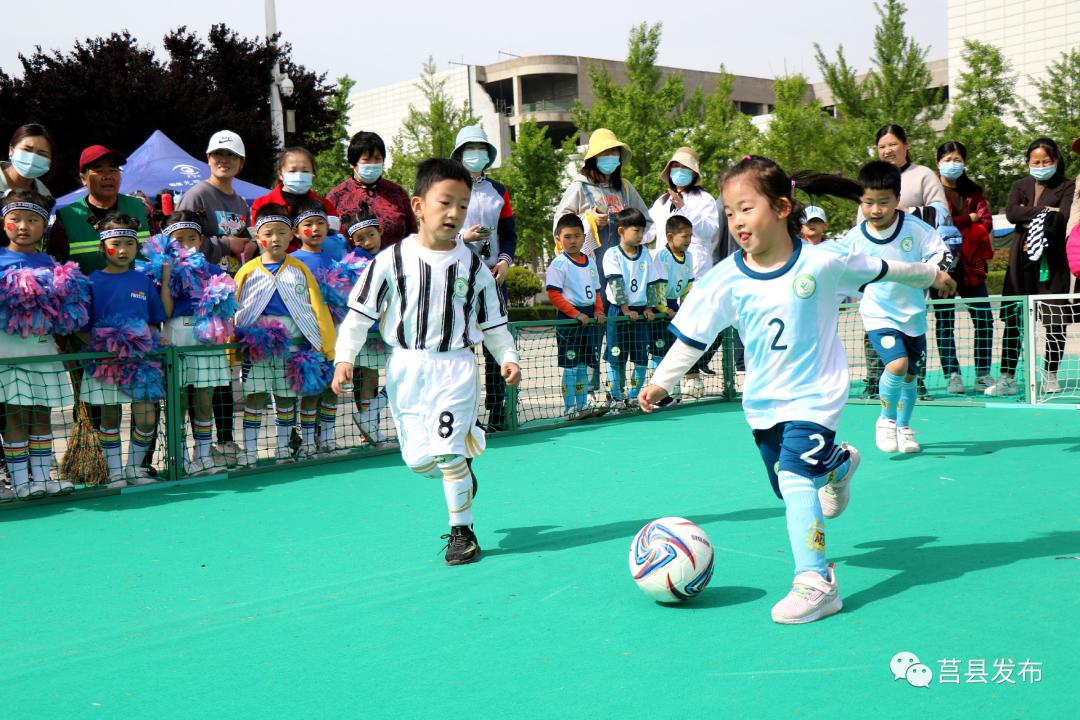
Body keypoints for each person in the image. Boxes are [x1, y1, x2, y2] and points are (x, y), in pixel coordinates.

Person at [638, 155, 956, 624]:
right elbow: (692, 338)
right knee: (786, 488)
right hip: (764, 403)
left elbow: (888, 268)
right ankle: (840, 463)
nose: (737, 221)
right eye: (729, 213)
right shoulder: (723, 279)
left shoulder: (825, 261)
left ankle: (816, 581)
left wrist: (933, 275)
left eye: (747, 208)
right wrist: (661, 382)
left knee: (793, 476)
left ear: (784, 207)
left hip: (817, 396)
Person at [331, 159, 522, 567]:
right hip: (405, 368)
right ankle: (463, 477)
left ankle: (462, 532)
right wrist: (344, 358)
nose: (454, 213)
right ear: (418, 206)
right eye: (445, 203)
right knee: (419, 461)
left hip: (455, 367)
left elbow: (494, 322)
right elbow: (359, 315)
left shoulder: (473, 265)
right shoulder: (389, 261)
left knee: (448, 453)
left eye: (462, 205)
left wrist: (508, 357)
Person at [840, 161, 950, 455]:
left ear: (897, 200)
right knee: (897, 365)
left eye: (883, 202)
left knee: (911, 376)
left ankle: (904, 426)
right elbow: (840, 273)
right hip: (878, 314)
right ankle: (886, 421)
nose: (876, 210)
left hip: (913, 315)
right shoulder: (854, 239)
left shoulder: (916, 229)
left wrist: (936, 272)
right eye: (868, 203)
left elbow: (941, 253)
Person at [232, 204, 336, 467]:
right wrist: (229, 349)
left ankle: (282, 447)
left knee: (286, 397)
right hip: (257, 348)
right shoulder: (247, 271)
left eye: (281, 232)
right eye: (269, 233)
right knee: (254, 396)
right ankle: (249, 451)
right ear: (257, 237)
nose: (275, 238)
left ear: (291, 235)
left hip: (293, 345)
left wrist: (325, 345)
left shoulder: (300, 270)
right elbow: (234, 309)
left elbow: (316, 308)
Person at [0, 190, 84, 499]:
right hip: (7, 351)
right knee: (14, 414)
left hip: (43, 349)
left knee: (42, 413)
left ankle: (43, 478)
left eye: (33, 220)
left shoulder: (51, 263)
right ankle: (21, 482)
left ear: (43, 226)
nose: (23, 226)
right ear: (4, 223)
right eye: (16, 219)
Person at [177, 130, 252, 466]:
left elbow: (241, 242)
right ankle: (194, 449)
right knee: (196, 381)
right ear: (207, 159)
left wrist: (247, 248)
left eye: (231, 156)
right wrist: (226, 246)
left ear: (240, 162)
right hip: (196, 300)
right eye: (217, 155)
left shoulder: (240, 202)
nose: (224, 161)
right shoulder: (197, 195)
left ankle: (224, 440)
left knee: (224, 374)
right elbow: (182, 242)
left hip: (228, 297)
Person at [859, 124, 949, 400]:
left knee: (909, 350)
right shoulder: (870, 183)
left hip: (910, 273)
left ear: (906, 145)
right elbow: (858, 231)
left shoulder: (922, 176)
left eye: (892, 144)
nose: (887, 150)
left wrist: (906, 212)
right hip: (877, 280)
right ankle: (876, 383)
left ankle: (914, 383)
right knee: (881, 339)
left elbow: (941, 214)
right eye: (882, 145)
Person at [79, 214, 167, 488]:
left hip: (141, 362)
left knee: (147, 416)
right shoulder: (91, 281)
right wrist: (103, 346)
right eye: (116, 243)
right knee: (109, 416)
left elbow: (154, 321)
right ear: (102, 247)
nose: (123, 249)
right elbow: (80, 326)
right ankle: (115, 471)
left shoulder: (143, 281)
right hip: (105, 361)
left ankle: (134, 468)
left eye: (129, 243)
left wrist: (146, 341)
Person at [988, 137, 1077, 396]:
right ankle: (1007, 376)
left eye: (1046, 161)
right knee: (1014, 318)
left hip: (1053, 260)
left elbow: (1063, 217)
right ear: (1028, 162)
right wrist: (1045, 211)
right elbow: (1012, 213)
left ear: (1056, 161)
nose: (1040, 165)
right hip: (1021, 259)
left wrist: (1034, 211)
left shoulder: (1067, 185)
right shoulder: (1020, 184)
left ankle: (1050, 374)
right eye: (1035, 161)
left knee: (1055, 320)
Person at [156, 210, 235, 475]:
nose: (186, 244)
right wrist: (167, 277)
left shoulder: (214, 270)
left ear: (200, 241)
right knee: (178, 401)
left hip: (206, 338)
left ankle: (202, 456)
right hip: (176, 335)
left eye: (192, 238)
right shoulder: (159, 272)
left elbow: (226, 310)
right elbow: (164, 313)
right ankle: (179, 459)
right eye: (178, 240)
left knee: (204, 400)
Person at [451, 125, 518, 431]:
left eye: (480, 148)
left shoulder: (500, 191)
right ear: (459, 154)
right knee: (462, 347)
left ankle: (498, 410)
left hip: (493, 278)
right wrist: (462, 237)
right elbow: (437, 231)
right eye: (469, 148)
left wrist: (504, 262)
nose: (475, 154)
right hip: (458, 277)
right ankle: (467, 414)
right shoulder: (448, 188)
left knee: (495, 346)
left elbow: (508, 234)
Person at [934, 141, 996, 394]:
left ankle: (982, 374)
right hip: (943, 265)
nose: (952, 164)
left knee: (984, 319)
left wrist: (958, 224)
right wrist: (966, 219)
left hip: (972, 265)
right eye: (947, 159)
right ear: (938, 162)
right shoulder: (933, 191)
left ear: (964, 162)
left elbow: (986, 223)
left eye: (957, 159)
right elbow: (938, 226)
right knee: (944, 321)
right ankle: (952, 374)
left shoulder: (974, 192)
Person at [287, 198, 343, 454]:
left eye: (320, 223)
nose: (315, 229)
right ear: (296, 232)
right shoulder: (292, 261)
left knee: (333, 387)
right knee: (311, 389)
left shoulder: (335, 258)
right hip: (306, 336)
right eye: (308, 224)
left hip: (335, 334)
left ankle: (327, 438)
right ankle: (308, 441)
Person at [49, 145, 153, 275]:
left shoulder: (141, 208)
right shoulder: (66, 217)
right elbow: (55, 266)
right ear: (83, 178)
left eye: (113, 170)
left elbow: (161, 254)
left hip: (138, 293)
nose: (107, 176)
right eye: (99, 171)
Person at [545, 214, 605, 420]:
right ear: (558, 239)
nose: (573, 241)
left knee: (585, 365)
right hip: (569, 320)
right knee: (571, 366)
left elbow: (597, 290)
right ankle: (569, 409)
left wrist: (598, 310)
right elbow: (554, 294)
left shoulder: (589, 262)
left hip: (588, 319)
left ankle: (583, 406)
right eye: (567, 237)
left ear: (584, 237)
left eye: (577, 236)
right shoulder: (558, 264)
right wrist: (575, 314)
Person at [338, 205, 388, 444]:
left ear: (380, 231)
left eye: (371, 234)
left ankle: (369, 417)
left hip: (394, 331)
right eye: (360, 238)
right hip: (367, 332)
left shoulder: (393, 257)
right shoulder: (351, 263)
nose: (367, 242)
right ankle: (368, 430)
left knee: (401, 375)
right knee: (366, 378)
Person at [602, 208, 660, 411]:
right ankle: (616, 397)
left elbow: (652, 282)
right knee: (615, 356)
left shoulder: (646, 254)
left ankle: (634, 397)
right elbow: (616, 282)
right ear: (621, 231)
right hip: (618, 314)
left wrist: (650, 308)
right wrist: (625, 309)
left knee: (641, 357)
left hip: (640, 313)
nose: (640, 235)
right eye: (636, 230)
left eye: (642, 231)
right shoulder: (612, 254)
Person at [326, 131, 416, 249]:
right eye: (366, 159)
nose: (373, 163)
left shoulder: (398, 193)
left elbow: (413, 235)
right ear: (353, 163)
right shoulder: (335, 197)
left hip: (397, 263)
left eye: (377, 158)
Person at [250, 146, 343, 255]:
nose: (299, 175)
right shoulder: (262, 204)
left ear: (313, 175)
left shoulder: (325, 205)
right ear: (281, 174)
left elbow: (337, 240)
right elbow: (260, 241)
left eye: (305, 171)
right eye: (292, 171)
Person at [643, 147, 720, 276]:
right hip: (664, 272)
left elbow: (709, 232)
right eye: (676, 166)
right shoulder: (663, 201)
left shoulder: (705, 199)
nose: (679, 170)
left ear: (694, 173)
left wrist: (684, 208)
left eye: (684, 167)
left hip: (694, 273)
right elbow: (650, 230)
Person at [650, 215, 697, 397]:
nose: (689, 240)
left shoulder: (689, 257)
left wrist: (684, 308)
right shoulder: (663, 256)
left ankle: (673, 391)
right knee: (659, 350)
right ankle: (657, 394)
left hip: (674, 309)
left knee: (674, 349)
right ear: (670, 237)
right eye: (685, 236)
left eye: (691, 236)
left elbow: (687, 286)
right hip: (661, 309)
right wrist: (663, 309)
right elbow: (659, 285)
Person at [1, 124, 55, 199]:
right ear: (11, 150)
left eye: (42, 154)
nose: (32, 158)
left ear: (50, 161)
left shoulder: (44, 194)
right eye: (26, 150)